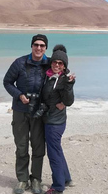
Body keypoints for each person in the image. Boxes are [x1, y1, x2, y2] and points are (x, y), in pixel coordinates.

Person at [3, 34, 51, 194]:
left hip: (39, 113)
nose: (39, 48)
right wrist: (19, 95)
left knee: (38, 148)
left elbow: (62, 76)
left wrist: (70, 80)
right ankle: (23, 180)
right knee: (22, 147)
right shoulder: (19, 63)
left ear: (46, 48)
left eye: (42, 46)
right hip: (20, 111)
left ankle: (36, 179)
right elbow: (7, 82)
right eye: (36, 45)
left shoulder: (50, 64)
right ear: (31, 46)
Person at [40, 44, 75, 194]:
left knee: (53, 153)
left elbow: (69, 100)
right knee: (57, 150)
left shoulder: (63, 80)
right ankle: (66, 178)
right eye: (55, 62)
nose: (57, 65)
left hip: (55, 122)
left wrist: (69, 84)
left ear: (64, 66)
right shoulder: (48, 76)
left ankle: (58, 187)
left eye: (60, 63)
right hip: (51, 118)